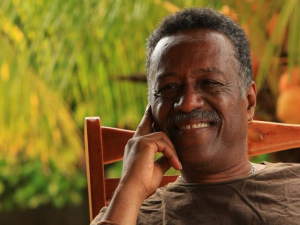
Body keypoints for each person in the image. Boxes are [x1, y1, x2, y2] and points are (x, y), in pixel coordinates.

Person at [92, 7, 300, 225]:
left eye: (209, 83)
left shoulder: (294, 185)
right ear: (151, 112)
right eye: (169, 87)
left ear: (249, 102)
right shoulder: (129, 214)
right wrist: (131, 187)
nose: (188, 103)